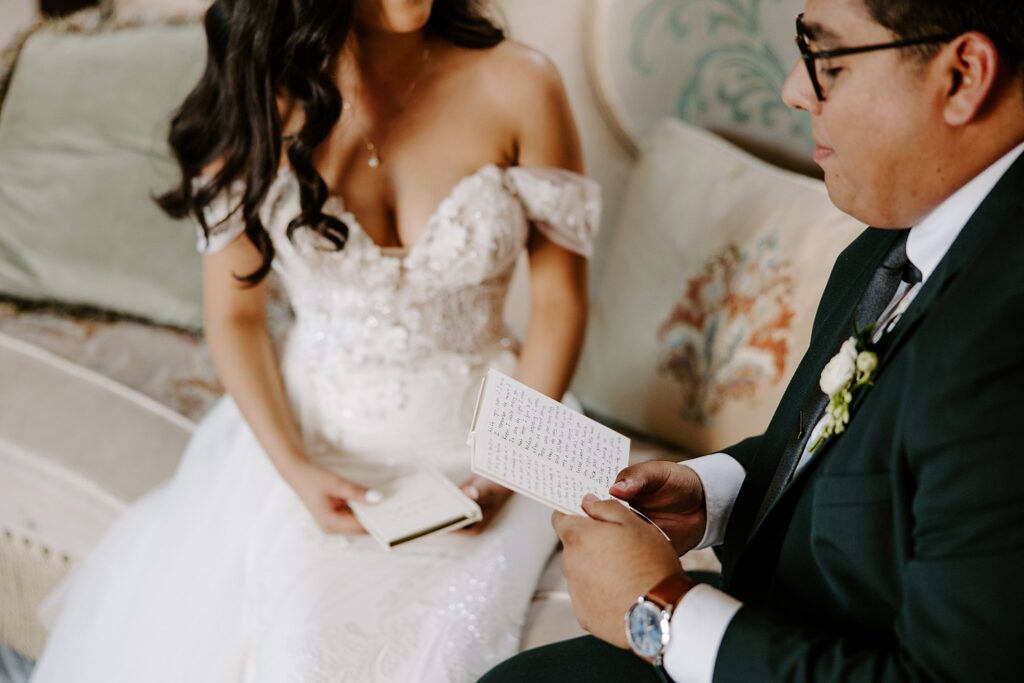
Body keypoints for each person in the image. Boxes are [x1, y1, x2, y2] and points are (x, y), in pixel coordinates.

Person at [30, 0, 598, 681]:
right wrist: (296, 469)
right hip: (321, 441)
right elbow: (236, 317)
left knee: (448, 656)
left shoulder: (522, 83)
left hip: (502, 434)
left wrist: (511, 463)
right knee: (300, 654)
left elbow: (562, 300)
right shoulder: (255, 104)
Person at [480, 0, 1024, 681]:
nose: (794, 89)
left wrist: (659, 610)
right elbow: (883, 456)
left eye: (827, 59)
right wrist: (710, 493)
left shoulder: (1005, 337)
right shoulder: (900, 225)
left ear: (964, 74)